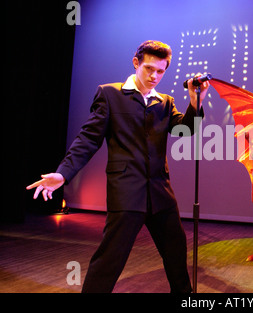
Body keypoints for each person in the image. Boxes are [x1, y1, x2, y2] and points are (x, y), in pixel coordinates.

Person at [26, 40, 209, 293]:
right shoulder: (110, 94)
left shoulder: (165, 102)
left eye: (160, 71)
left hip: (161, 193)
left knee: (176, 255)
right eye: (148, 69)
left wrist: (195, 101)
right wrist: (62, 173)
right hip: (126, 193)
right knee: (111, 259)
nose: (154, 76)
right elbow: (88, 138)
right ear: (136, 63)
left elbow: (185, 129)